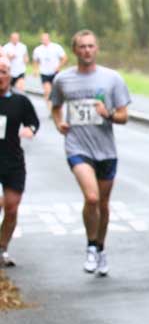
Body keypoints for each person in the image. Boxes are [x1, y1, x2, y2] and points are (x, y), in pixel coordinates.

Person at [49, 30, 131, 277]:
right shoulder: (63, 80)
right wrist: (59, 123)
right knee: (92, 198)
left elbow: (124, 116)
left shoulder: (112, 78)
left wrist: (107, 114)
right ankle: (91, 247)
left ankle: (101, 247)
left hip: (105, 149)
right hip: (77, 146)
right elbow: (55, 107)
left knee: (103, 205)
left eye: (91, 46)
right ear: (74, 50)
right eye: (82, 47)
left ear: (97, 49)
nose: (86, 50)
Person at [0, 57, 41, 266]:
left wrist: (29, 130)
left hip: (12, 160)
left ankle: (2, 249)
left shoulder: (20, 101)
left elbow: (34, 122)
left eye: (4, 72)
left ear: (10, 76)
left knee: (12, 207)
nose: (1, 76)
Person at [33, 33, 67, 101]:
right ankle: (50, 109)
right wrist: (35, 70)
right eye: (43, 39)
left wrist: (59, 66)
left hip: (55, 72)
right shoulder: (38, 49)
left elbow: (64, 58)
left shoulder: (56, 47)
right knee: (47, 91)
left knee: (56, 92)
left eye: (46, 39)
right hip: (44, 73)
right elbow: (35, 61)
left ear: (49, 39)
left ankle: (56, 107)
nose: (44, 40)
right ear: (41, 40)